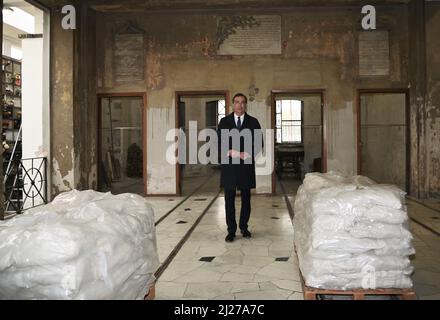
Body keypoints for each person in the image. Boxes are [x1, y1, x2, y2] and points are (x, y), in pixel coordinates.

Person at [217, 93, 263, 242]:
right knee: (229, 200)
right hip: (229, 167)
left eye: (243, 102)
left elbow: (258, 144)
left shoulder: (253, 122)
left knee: (246, 199)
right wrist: (231, 152)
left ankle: (244, 227)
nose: (240, 105)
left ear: (245, 105)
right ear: (232, 104)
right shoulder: (224, 122)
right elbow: (218, 144)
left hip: (245, 167)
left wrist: (247, 154)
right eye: (237, 102)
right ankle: (231, 230)